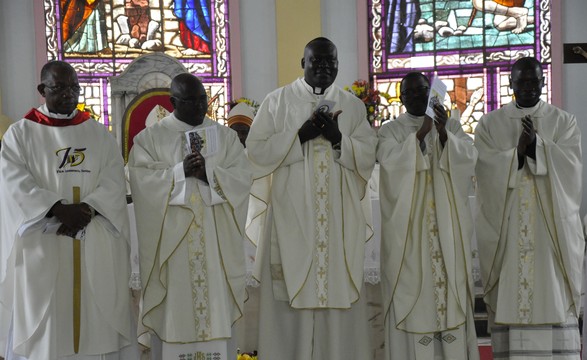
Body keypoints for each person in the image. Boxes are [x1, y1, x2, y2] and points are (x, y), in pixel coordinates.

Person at [246, 37, 377, 360]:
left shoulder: (353, 106)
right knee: (289, 294)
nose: (323, 68)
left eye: (330, 62)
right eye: (316, 62)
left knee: (336, 293)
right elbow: (255, 152)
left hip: (338, 219)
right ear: (302, 63)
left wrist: (338, 140)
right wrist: (298, 137)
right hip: (292, 218)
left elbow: (368, 154)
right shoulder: (277, 102)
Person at [0, 61, 134, 360]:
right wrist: (57, 208)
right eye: (59, 88)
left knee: (95, 319)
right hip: (43, 240)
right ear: (42, 90)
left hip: (93, 237)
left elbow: (114, 180)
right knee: (46, 324)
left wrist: (86, 209)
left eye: (74, 87)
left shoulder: (98, 134)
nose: (68, 95)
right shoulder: (20, 134)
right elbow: (13, 183)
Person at [128, 73, 251, 359]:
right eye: (190, 101)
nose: (199, 107)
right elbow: (141, 182)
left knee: (215, 311)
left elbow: (243, 178)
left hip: (214, 244)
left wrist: (208, 174)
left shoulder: (226, 136)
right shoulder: (150, 139)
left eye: (202, 100)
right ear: (173, 102)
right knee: (175, 310)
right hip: (173, 249)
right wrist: (178, 173)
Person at [475, 56, 583, 359]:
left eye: (533, 81)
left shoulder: (563, 121)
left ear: (543, 82)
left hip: (550, 231)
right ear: (510, 83)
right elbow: (482, 167)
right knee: (512, 287)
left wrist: (539, 146)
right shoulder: (490, 123)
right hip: (508, 230)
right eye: (521, 81)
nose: (527, 87)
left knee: (551, 286)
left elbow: (572, 168)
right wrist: (516, 155)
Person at [376, 72, 479, 360]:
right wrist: (420, 135)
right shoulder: (391, 130)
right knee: (413, 288)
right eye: (410, 93)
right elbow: (388, 162)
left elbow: (470, 159)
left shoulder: (450, 124)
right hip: (410, 231)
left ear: (430, 91)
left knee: (450, 287)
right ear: (402, 98)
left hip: (448, 226)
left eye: (423, 90)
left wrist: (444, 132)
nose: (418, 96)